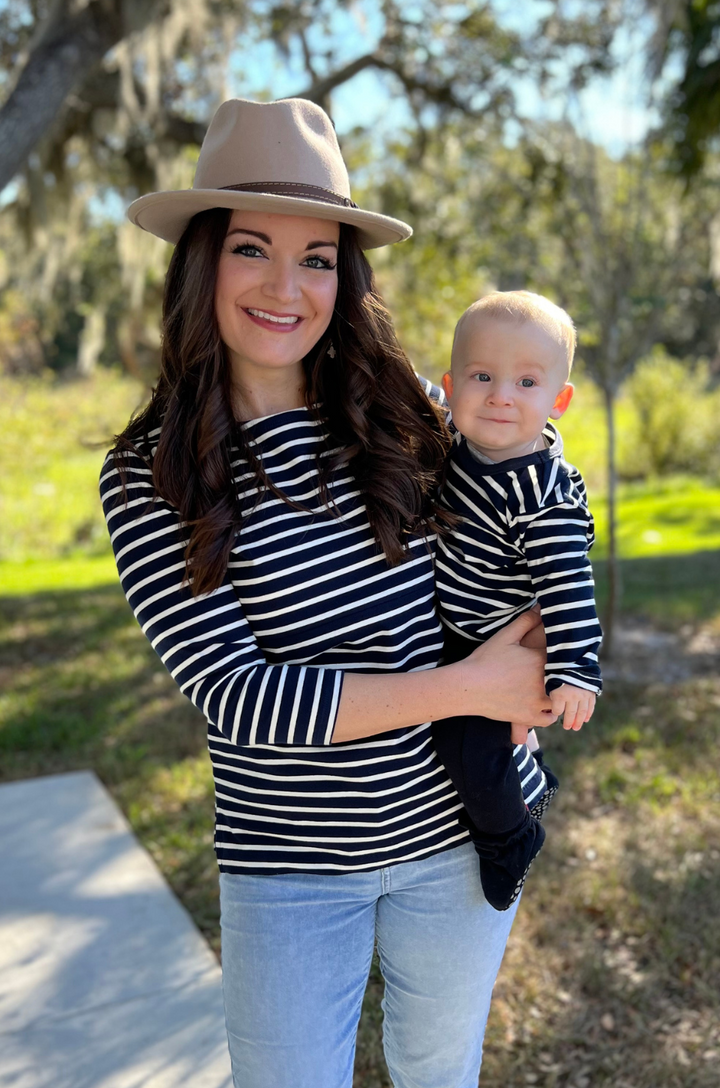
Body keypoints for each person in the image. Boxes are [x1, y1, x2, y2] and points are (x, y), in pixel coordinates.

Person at [100, 98, 557, 1088]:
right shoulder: (152, 469)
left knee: (439, 1070)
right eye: (253, 248)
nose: (284, 285)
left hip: (462, 831)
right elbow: (240, 693)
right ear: (201, 261)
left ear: (342, 278)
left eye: (316, 258)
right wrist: (474, 685)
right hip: (291, 867)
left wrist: (538, 626)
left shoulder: (404, 411)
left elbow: (528, 474)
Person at [432, 291, 603, 912]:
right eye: (483, 376)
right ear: (452, 388)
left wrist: (575, 670)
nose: (501, 394)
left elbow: (568, 587)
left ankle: (512, 834)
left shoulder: (542, 494)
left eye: (527, 381)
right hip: (457, 627)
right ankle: (526, 774)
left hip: (498, 638)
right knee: (452, 733)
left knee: (463, 749)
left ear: (558, 400)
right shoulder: (455, 442)